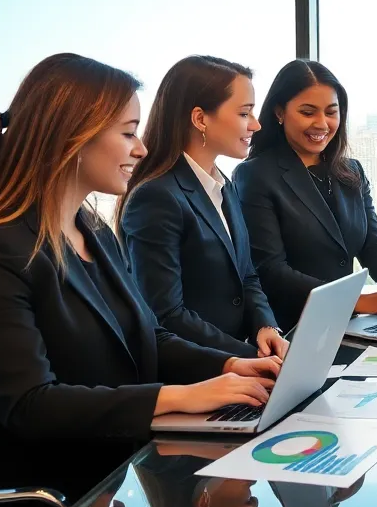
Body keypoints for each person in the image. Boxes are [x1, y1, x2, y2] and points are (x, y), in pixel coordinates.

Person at [0, 53, 281, 507]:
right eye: (128, 133)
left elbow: (149, 336)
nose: (140, 149)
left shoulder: (92, 232)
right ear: (72, 138)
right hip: (31, 499)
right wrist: (182, 395)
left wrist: (232, 364)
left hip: (108, 475)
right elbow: (30, 405)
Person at [119, 56, 285, 359]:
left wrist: (266, 327)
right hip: (195, 377)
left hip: (239, 371)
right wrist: (247, 358)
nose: (256, 124)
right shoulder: (156, 197)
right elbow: (166, 314)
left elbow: (247, 276)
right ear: (200, 119)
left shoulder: (224, 185)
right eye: (245, 113)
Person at [234, 59, 377, 331]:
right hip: (293, 330)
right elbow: (270, 271)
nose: (322, 124)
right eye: (308, 112)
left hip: (349, 328)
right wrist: (356, 300)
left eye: (331, 112)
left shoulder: (351, 171)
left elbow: (372, 245)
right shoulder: (255, 175)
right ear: (279, 112)